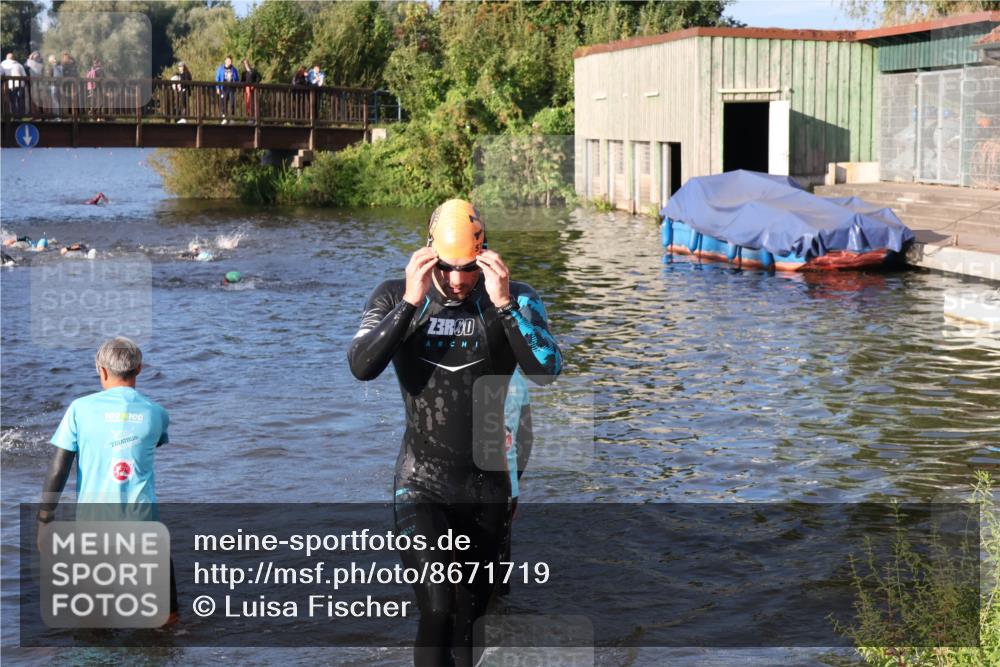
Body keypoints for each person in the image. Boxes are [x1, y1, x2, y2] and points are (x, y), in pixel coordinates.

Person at [347, 199, 561, 667]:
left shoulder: (516, 296)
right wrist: (409, 301)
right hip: (421, 481)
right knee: (439, 605)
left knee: (469, 622)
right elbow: (362, 365)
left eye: (469, 268)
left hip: (487, 488)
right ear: (429, 255)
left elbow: (547, 369)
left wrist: (504, 306)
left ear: (487, 255)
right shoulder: (394, 295)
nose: (460, 280)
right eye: (448, 268)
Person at [37, 337, 175, 620]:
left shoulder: (79, 409)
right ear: (139, 369)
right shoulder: (157, 413)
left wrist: (44, 520)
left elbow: (58, 469)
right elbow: (150, 443)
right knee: (165, 620)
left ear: (101, 371)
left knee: (93, 621)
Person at [215, 56, 240, 124]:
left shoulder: (234, 69)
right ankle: (224, 117)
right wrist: (217, 88)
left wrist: (237, 84)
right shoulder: (220, 69)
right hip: (223, 88)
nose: (230, 62)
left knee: (232, 103)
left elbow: (237, 79)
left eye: (231, 61)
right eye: (228, 61)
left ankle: (232, 117)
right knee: (223, 102)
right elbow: (217, 79)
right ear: (225, 61)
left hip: (232, 88)